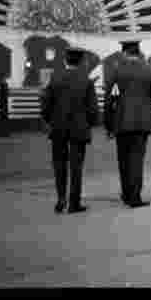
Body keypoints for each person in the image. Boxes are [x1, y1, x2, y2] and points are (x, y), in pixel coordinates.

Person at [105, 41, 151, 208]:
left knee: (123, 159)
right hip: (142, 122)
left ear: (124, 53)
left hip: (121, 122)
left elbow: (109, 99)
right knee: (136, 159)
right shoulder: (148, 69)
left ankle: (126, 194)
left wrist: (108, 124)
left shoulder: (117, 71)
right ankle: (135, 196)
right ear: (138, 52)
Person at [40, 47, 99, 214]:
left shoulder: (55, 78)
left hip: (58, 128)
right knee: (76, 166)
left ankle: (60, 199)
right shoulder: (86, 81)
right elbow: (93, 109)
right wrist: (91, 123)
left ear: (66, 61)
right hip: (79, 129)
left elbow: (46, 104)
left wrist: (49, 120)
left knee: (59, 165)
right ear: (80, 61)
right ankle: (74, 203)